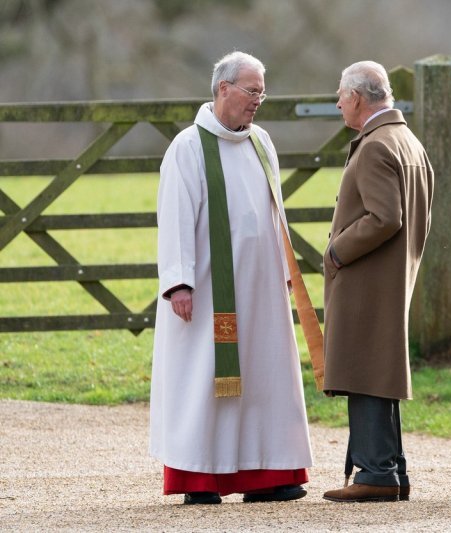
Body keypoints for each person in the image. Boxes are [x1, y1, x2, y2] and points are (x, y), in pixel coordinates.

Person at [149, 51, 313, 505]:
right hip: (208, 291)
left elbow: (275, 213)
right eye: (251, 90)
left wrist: (283, 272)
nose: (258, 100)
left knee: (265, 378)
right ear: (223, 89)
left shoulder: (262, 142)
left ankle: (270, 475)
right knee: (206, 380)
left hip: (261, 291)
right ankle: (200, 479)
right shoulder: (187, 147)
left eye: (262, 91)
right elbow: (175, 218)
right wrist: (179, 282)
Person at [321, 61, 434, 503]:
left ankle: (376, 473)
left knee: (365, 369)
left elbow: (385, 218)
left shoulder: (375, 146)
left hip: (368, 277)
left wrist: (336, 250)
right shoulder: (408, 141)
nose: (337, 102)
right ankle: (390, 470)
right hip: (392, 275)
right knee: (378, 369)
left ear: (357, 97)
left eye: (340, 94)